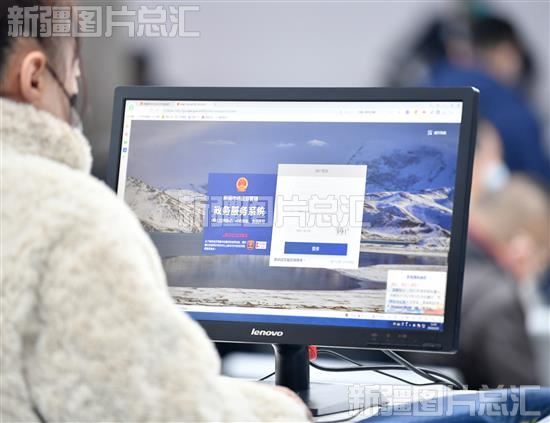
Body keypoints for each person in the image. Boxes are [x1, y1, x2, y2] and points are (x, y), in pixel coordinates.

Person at [0, 1, 309, 421]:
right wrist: (277, 412)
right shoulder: (67, 217)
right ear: (34, 77)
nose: (73, 107)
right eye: (72, 84)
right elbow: (160, 410)